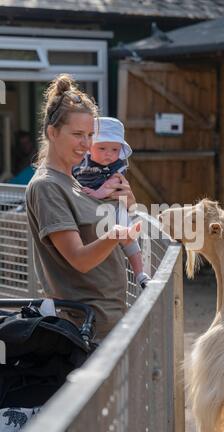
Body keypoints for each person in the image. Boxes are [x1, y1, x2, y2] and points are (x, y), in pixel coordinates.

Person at [26, 74, 140, 340]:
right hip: (86, 328)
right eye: (77, 134)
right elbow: (80, 259)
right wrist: (116, 235)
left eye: (90, 135)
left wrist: (130, 204)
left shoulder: (74, 181)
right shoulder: (47, 186)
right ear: (52, 133)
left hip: (108, 319)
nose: (86, 144)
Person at [72, 117, 151, 289]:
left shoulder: (117, 165)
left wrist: (98, 192)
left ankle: (140, 273)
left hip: (113, 204)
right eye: (102, 148)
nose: (109, 154)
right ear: (90, 145)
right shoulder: (79, 163)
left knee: (128, 235)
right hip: (86, 210)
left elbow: (114, 183)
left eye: (115, 149)